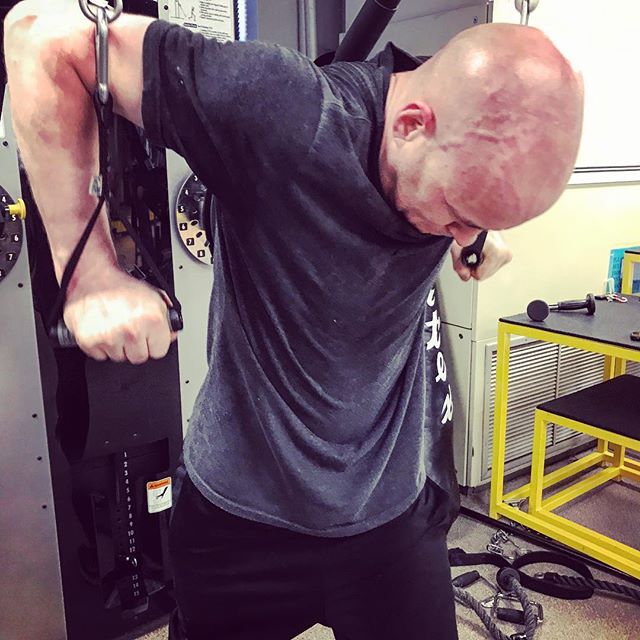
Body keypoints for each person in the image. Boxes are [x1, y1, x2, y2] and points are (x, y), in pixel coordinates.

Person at [4, 2, 583, 639]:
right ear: (412, 125)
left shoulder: (455, 148)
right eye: (457, 210)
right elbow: (41, 35)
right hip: (240, 529)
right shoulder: (281, 110)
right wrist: (87, 275)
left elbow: (465, 187)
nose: (465, 233)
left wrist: (469, 233)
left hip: (390, 520)